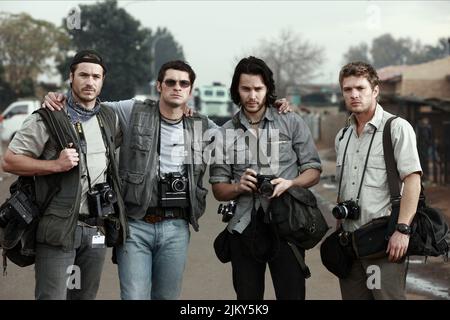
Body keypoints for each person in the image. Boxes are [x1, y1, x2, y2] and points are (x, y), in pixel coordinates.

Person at [43, 60, 292, 300]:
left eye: (184, 84)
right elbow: (91, 105)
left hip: (176, 227)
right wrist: (61, 97)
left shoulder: (202, 125)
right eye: (171, 82)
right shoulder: (134, 110)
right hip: (135, 223)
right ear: (159, 86)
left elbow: (243, 134)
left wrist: (273, 107)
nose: (177, 87)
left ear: (191, 90)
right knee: (134, 296)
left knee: (166, 296)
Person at [1, 50, 126, 300]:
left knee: (84, 297)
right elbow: (10, 161)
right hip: (58, 228)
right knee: (53, 297)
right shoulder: (47, 117)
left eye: (96, 76)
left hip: (97, 229)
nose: (90, 82)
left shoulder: (109, 118)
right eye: (83, 75)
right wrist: (55, 166)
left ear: (103, 81)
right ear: (71, 77)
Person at [209, 56, 321, 300]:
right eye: (246, 89)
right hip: (244, 226)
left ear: (268, 89)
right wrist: (238, 187)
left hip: (287, 225)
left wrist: (291, 183)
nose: (252, 96)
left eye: (258, 89)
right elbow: (218, 189)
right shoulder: (225, 132)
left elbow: (313, 170)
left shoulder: (290, 121)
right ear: (236, 91)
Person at [334, 61, 422, 300]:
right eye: (347, 89)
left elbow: (412, 181)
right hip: (351, 244)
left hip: (384, 244)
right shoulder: (343, 135)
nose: (353, 95)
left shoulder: (396, 128)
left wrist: (402, 230)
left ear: (375, 91)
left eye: (360, 88)